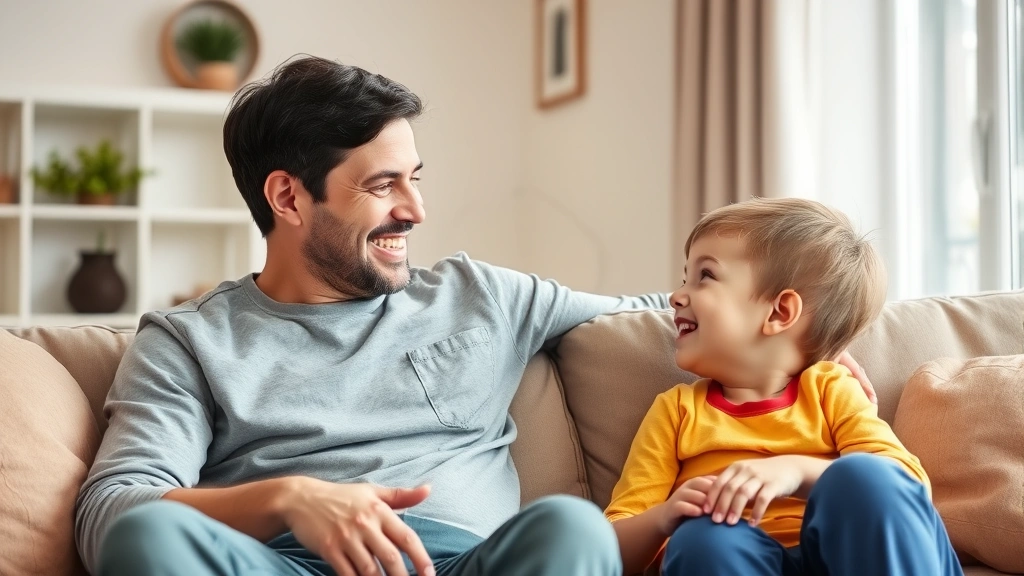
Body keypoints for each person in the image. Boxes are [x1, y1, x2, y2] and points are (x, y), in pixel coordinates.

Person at [75, 56, 872, 576]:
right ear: (288, 196)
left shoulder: (482, 295)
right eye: (382, 186)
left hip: (471, 566)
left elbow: (667, 311)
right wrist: (288, 498)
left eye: (415, 178)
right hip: (286, 565)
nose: (416, 209)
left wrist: (809, 347)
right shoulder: (189, 340)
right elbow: (115, 513)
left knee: (573, 529)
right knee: (147, 543)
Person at [604, 197, 963, 576]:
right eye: (684, 278)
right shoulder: (676, 410)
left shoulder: (829, 388)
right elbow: (608, 549)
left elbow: (905, 488)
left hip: (848, 559)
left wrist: (793, 471)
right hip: (736, 560)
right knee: (704, 539)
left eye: (705, 275)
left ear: (779, 312)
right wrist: (663, 519)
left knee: (863, 477)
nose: (675, 296)